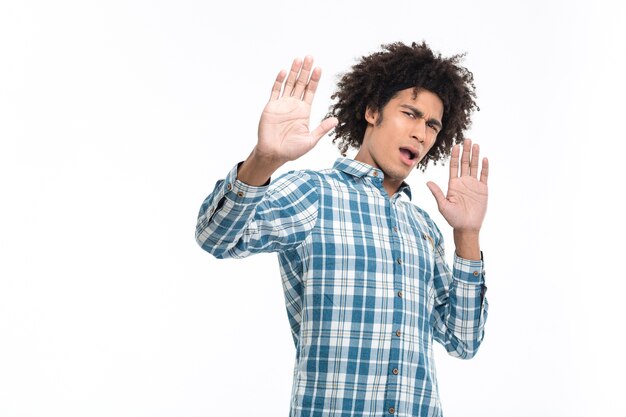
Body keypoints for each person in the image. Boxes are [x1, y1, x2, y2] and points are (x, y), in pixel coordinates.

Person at [195, 41, 489, 417]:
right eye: (410, 114)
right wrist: (263, 161)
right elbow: (215, 237)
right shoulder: (314, 193)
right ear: (371, 111)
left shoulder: (424, 227)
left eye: (432, 124)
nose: (421, 133)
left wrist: (467, 236)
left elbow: (463, 340)